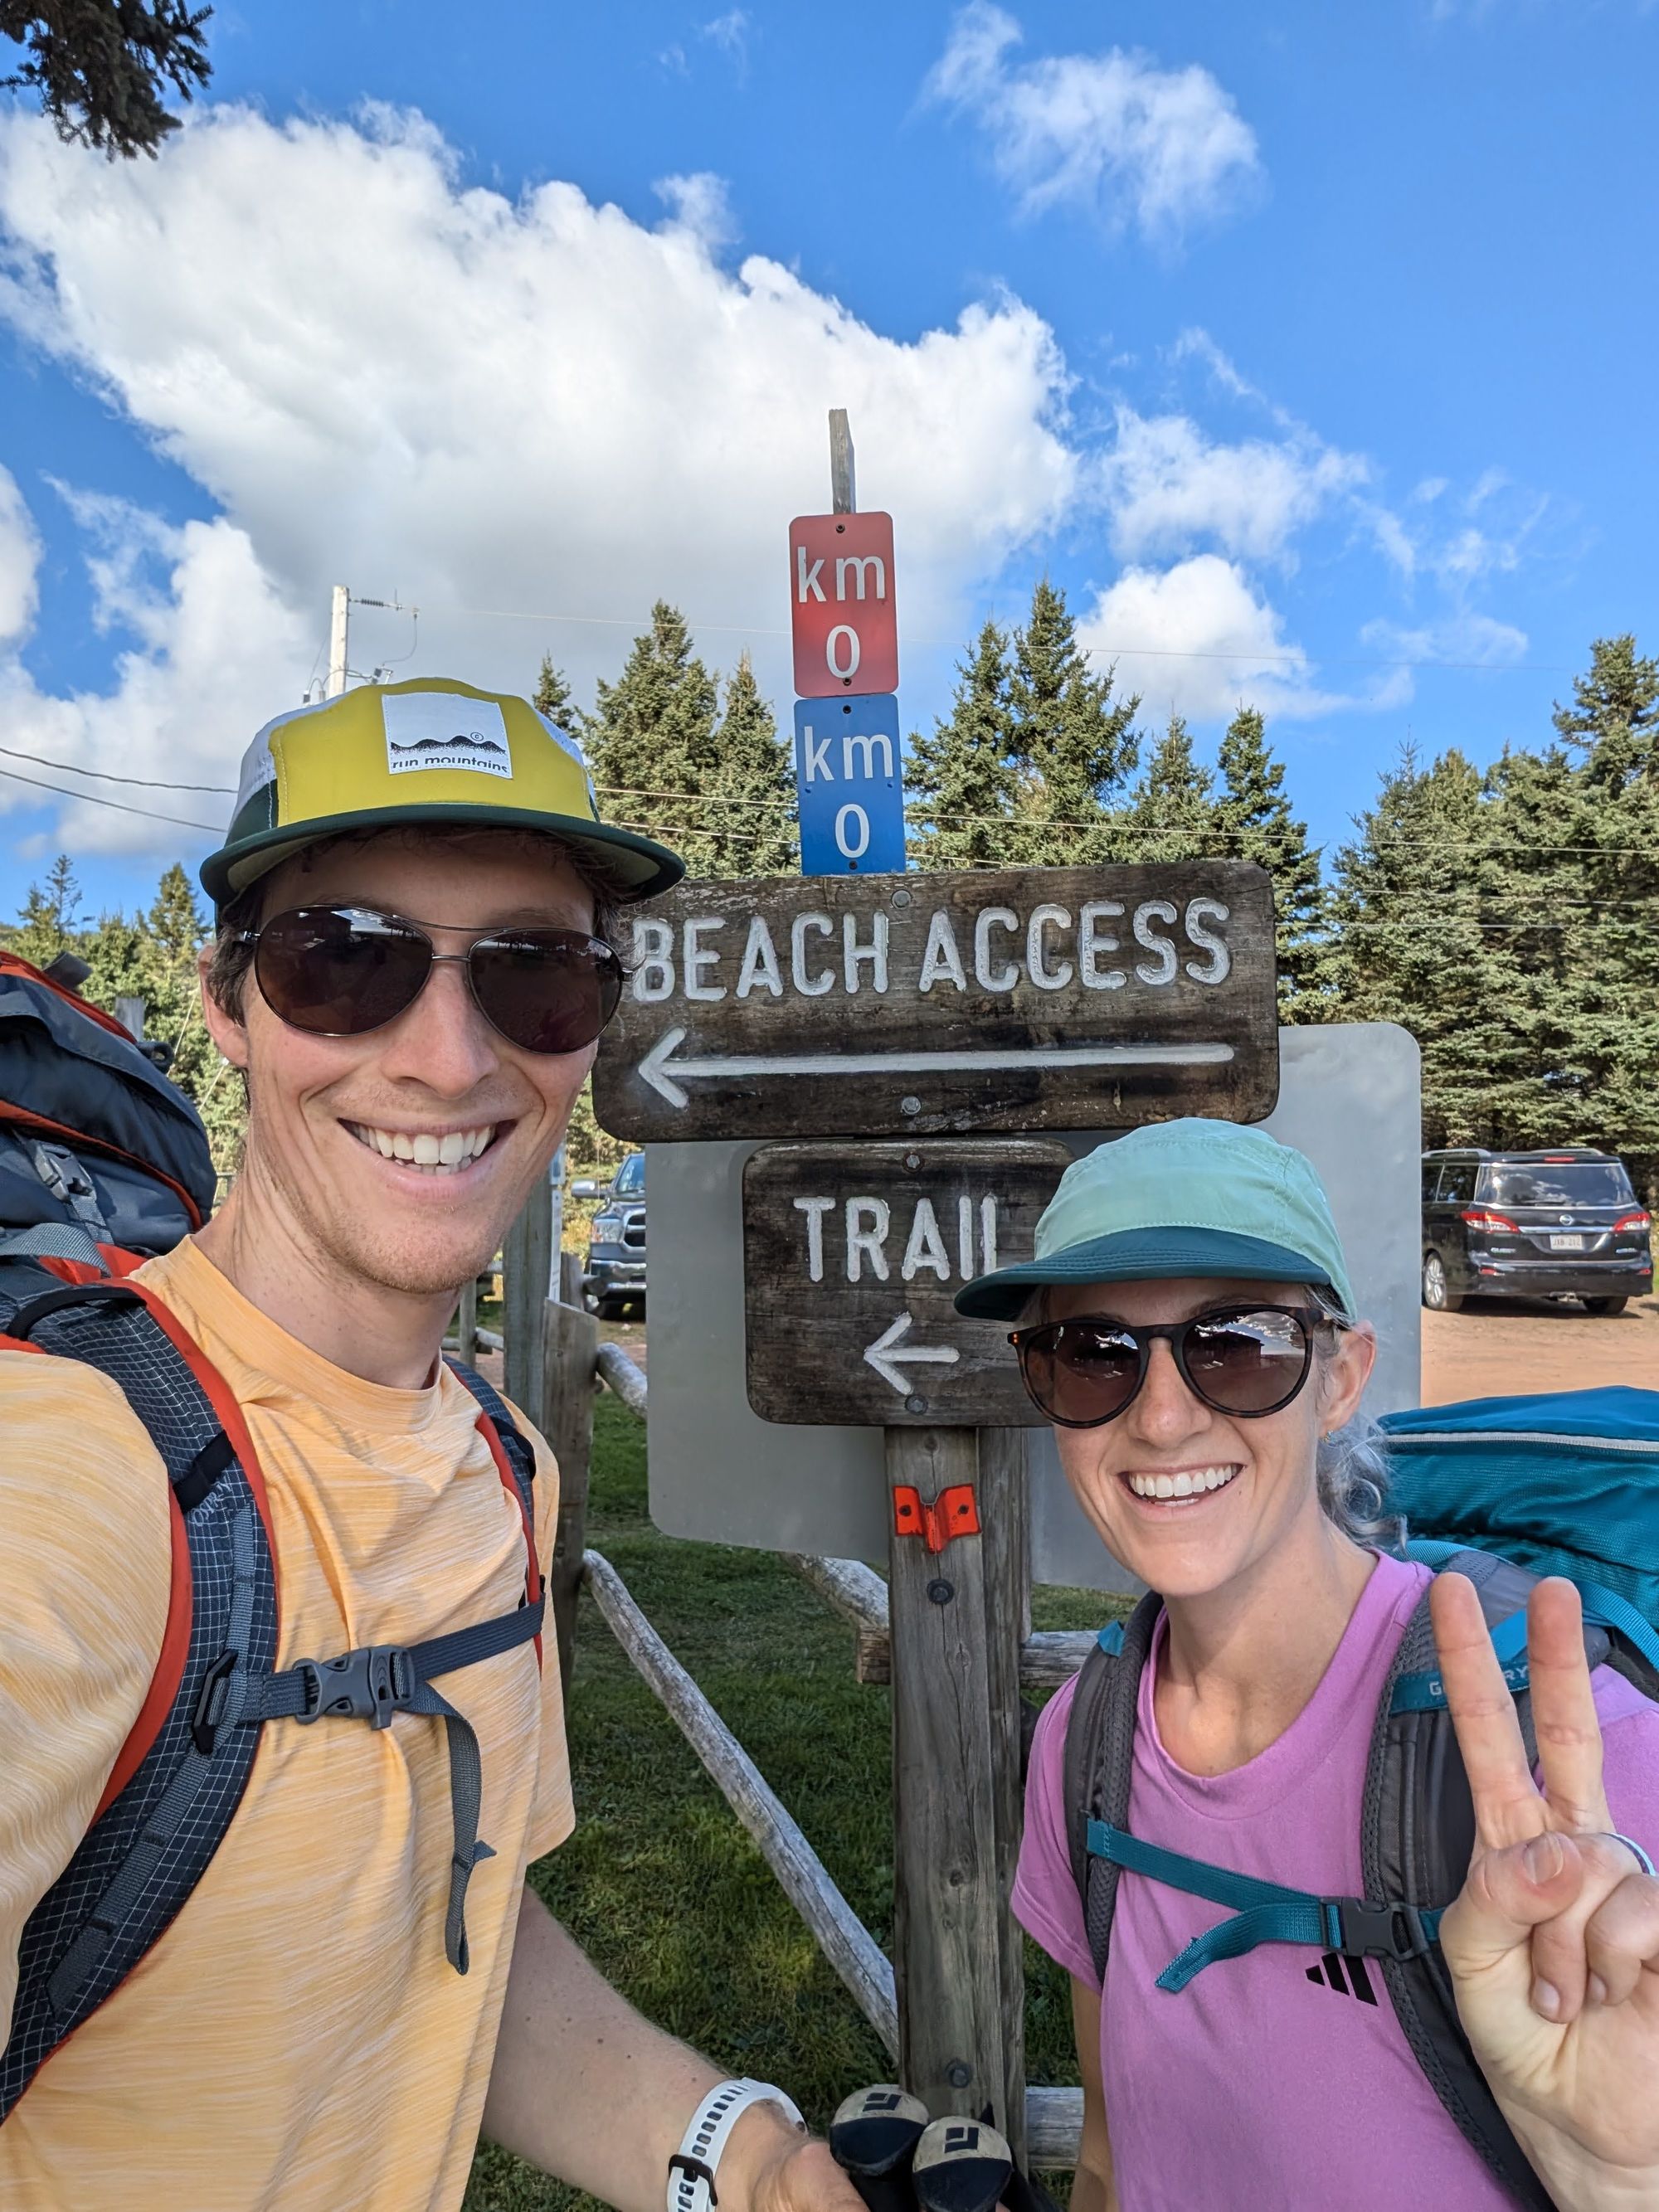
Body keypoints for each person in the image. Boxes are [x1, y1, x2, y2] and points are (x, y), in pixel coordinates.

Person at [0, 678, 862, 2212]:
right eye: (347, 964)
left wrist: (742, 2152)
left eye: (534, 975)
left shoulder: (501, 1465)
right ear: (229, 1001)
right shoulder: (73, 1470)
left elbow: (452, 1921)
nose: (453, 1060)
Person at [956, 1118, 1659, 2212]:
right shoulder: (1084, 1742)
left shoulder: (1581, 1759)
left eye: (1236, 1343)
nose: (1162, 1415)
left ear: (1341, 1380)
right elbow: (1107, 2161)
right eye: (1093, 1354)